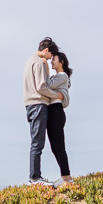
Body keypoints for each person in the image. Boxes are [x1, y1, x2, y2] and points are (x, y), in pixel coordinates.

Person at [23, 37, 64, 185]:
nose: (51, 58)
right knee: (37, 143)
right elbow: (41, 86)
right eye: (51, 55)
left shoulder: (29, 61)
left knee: (36, 141)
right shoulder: (39, 62)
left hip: (30, 105)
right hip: (38, 104)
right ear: (46, 51)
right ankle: (34, 178)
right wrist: (56, 95)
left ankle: (35, 177)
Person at [46, 52, 73, 184]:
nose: (51, 62)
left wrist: (45, 69)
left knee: (59, 146)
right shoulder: (58, 76)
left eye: (54, 60)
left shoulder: (62, 76)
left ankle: (66, 177)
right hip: (52, 111)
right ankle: (66, 176)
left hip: (56, 111)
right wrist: (56, 94)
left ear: (61, 61)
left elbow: (47, 85)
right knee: (54, 147)